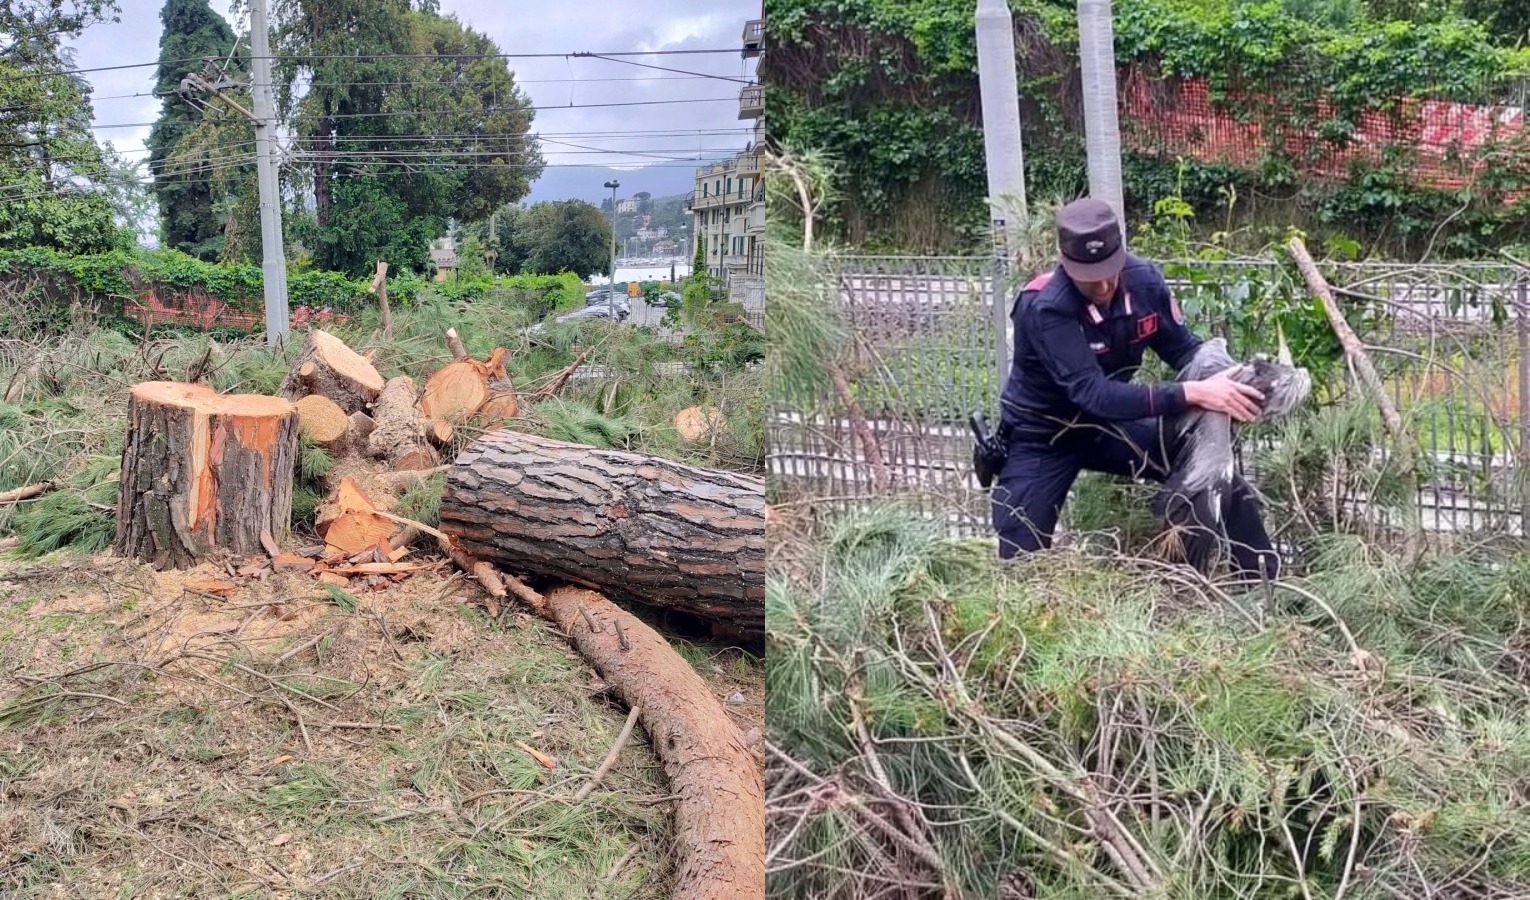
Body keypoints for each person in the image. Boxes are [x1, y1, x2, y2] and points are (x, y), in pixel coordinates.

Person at [991, 197, 1280, 578]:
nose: (1105, 284)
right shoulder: (1045, 306)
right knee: (1020, 555)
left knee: (1217, 474)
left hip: (1110, 428)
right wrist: (1194, 393)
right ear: (1064, 260)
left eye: (1110, 270)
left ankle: (1264, 586)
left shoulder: (1145, 281)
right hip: (1044, 435)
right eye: (1089, 276)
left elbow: (1184, 350)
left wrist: (1231, 380)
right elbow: (1092, 393)